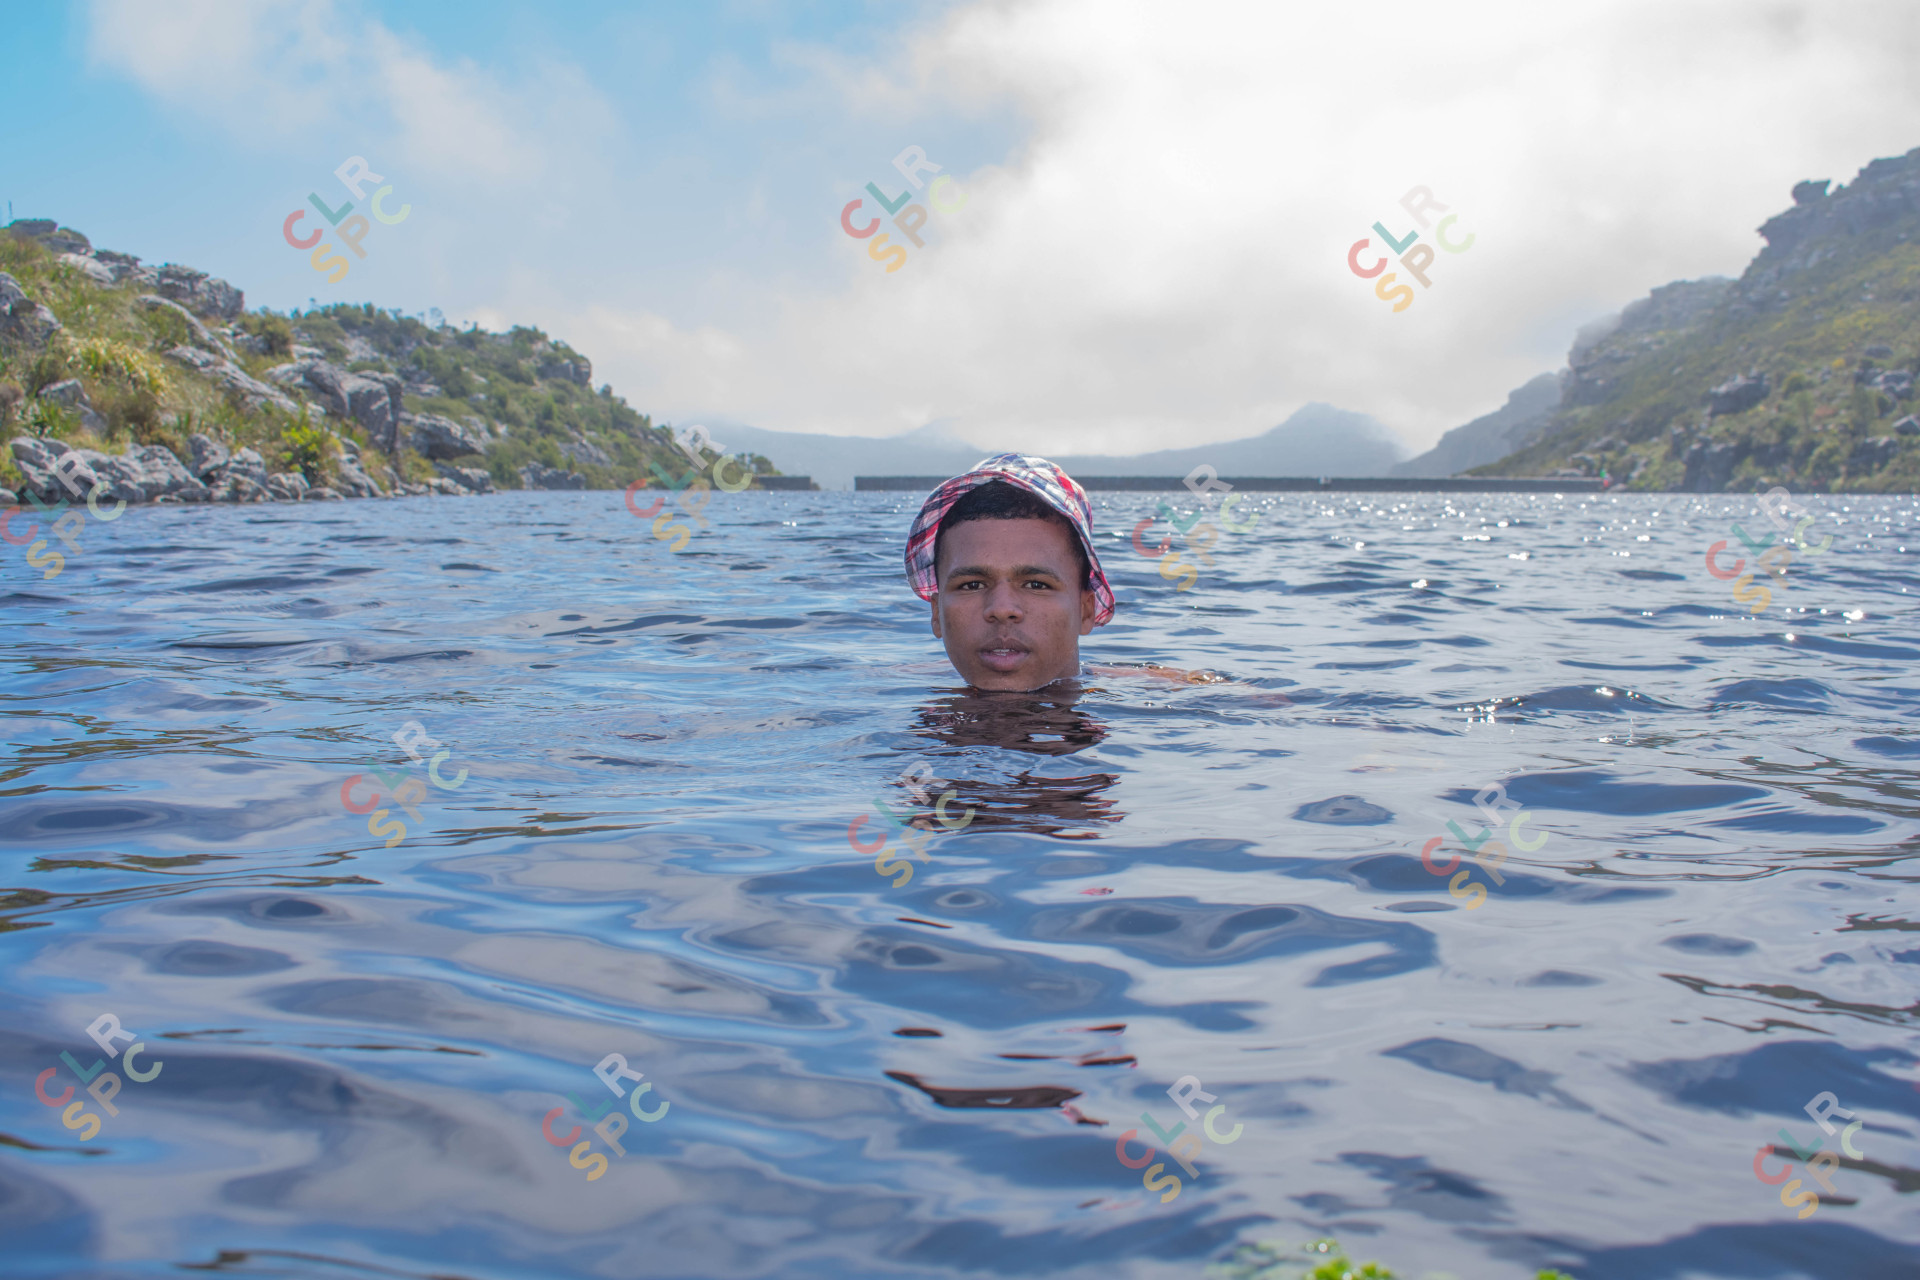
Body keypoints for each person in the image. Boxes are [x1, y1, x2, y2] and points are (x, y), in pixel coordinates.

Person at [905, 453, 1227, 692]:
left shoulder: (1187, 694)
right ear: (936, 613)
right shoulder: (887, 686)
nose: (1002, 609)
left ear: (1086, 609)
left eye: (1035, 583)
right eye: (972, 584)